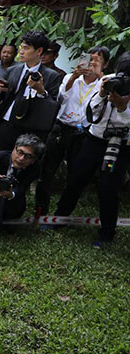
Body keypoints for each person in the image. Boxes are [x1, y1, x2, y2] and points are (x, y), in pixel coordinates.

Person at [52, 52, 130, 248]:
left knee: (108, 188)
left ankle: (107, 233)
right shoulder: (108, 80)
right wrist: (103, 94)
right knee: (76, 179)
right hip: (95, 139)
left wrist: (122, 107)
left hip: (120, 145)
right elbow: (91, 110)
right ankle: (59, 218)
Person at [35, 46, 109, 214]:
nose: (92, 63)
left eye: (97, 59)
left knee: (75, 175)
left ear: (105, 64)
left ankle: (62, 214)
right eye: (90, 58)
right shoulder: (71, 77)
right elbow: (60, 98)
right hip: (61, 128)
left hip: (82, 133)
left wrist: (100, 76)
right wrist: (75, 76)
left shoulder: (104, 83)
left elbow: (106, 103)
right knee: (46, 171)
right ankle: (40, 209)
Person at [0, 31, 61, 150]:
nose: (21, 52)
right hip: (5, 123)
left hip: (30, 129)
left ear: (39, 51)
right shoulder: (12, 70)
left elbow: (52, 107)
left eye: (26, 48)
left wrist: (41, 91)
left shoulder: (52, 76)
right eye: (21, 47)